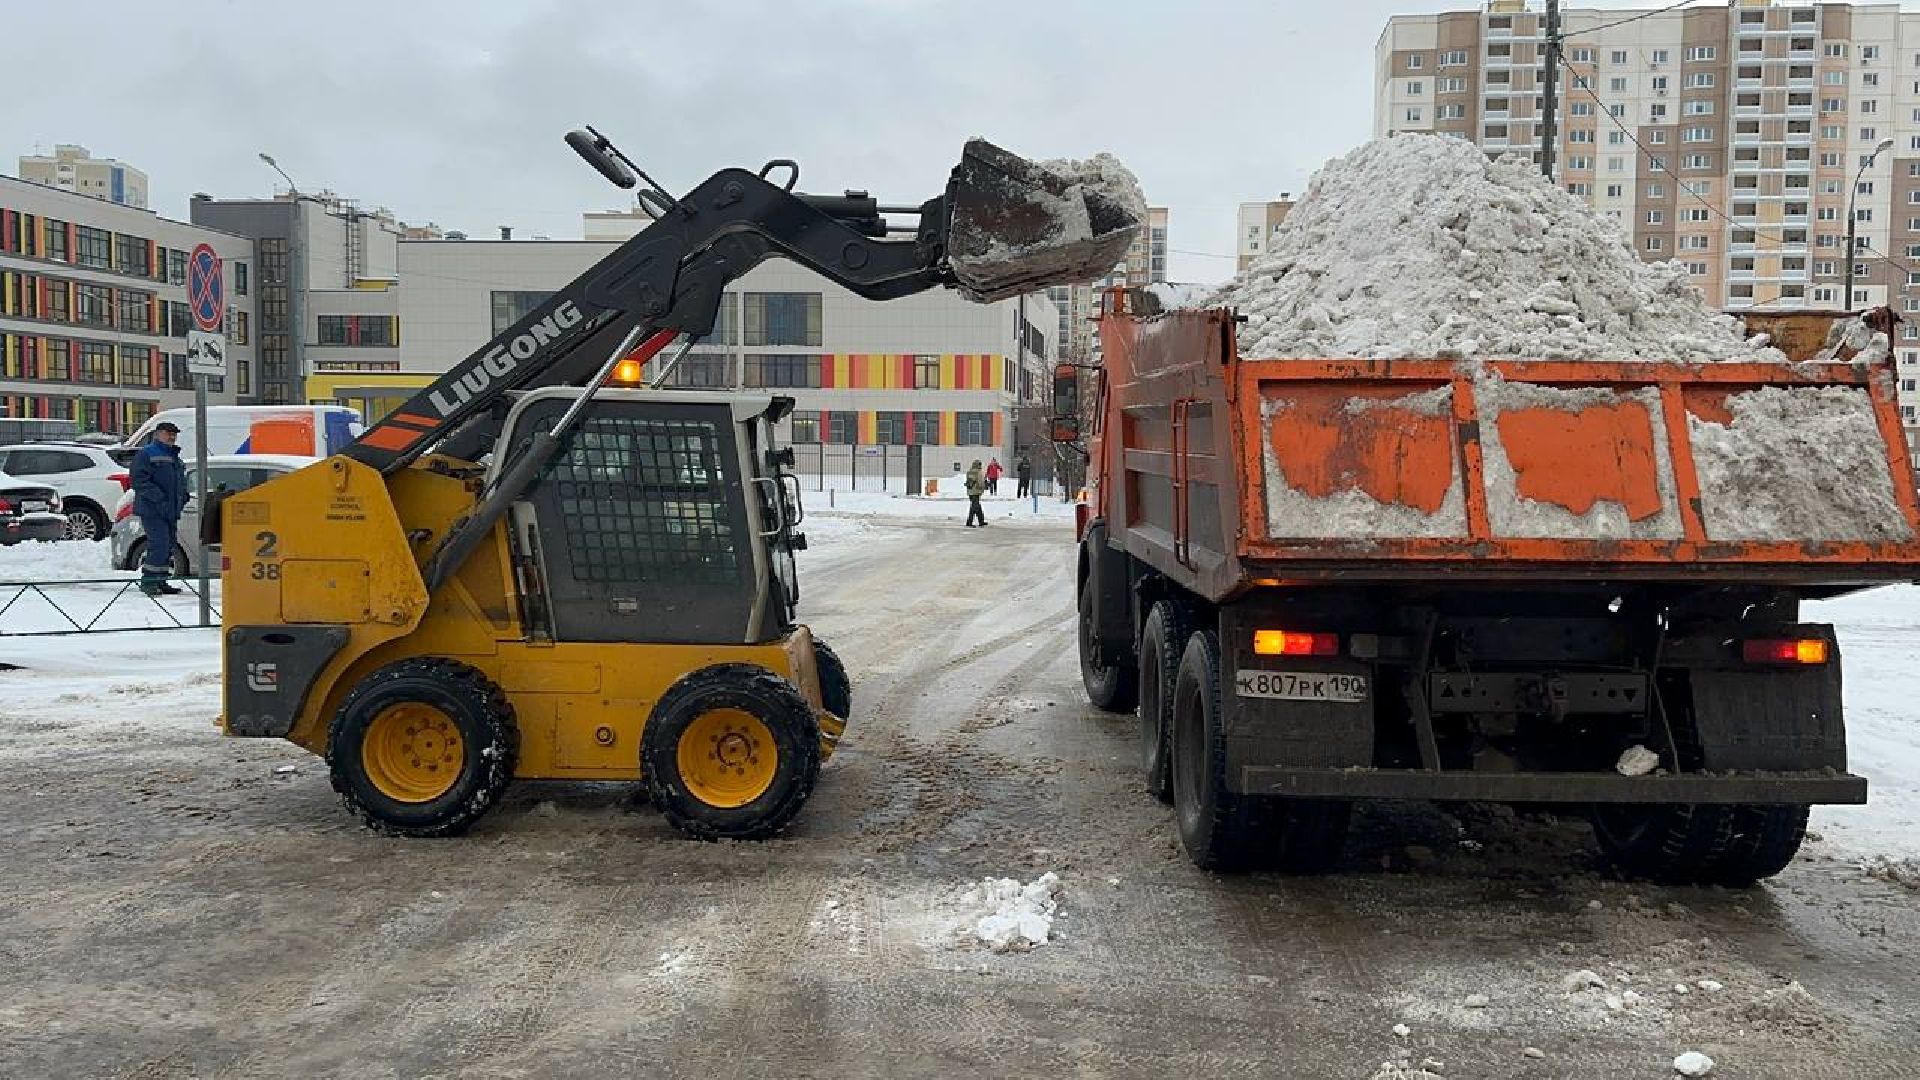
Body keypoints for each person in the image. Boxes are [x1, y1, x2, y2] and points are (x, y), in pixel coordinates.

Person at [131, 422, 189, 596]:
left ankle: (161, 580)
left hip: (169, 510)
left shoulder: (174, 457)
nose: (171, 436)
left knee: (169, 545)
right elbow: (139, 481)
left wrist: (182, 497)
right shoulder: (147, 453)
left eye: (174, 434)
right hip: (153, 509)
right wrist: (160, 499)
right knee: (159, 545)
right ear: (157, 434)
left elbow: (178, 483)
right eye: (168, 433)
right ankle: (148, 582)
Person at [964, 460, 988, 528]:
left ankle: (981, 521)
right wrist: (984, 487)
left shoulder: (969, 472)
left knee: (977, 507)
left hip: (970, 492)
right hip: (976, 491)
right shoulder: (978, 472)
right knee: (974, 508)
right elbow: (980, 483)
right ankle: (969, 522)